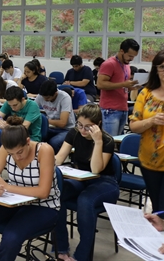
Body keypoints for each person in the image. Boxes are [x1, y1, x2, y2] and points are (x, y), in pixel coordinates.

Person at [0, 116, 60, 261]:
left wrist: (7, 187)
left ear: (28, 142)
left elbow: (43, 192)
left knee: (11, 236)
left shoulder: (44, 150)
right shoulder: (6, 149)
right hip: (14, 201)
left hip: (44, 206)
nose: (16, 157)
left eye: (19, 152)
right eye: (11, 154)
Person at [54, 104, 119, 261]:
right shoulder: (74, 133)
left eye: (88, 127)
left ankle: (82, 256)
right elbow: (59, 159)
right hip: (81, 178)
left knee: (85, 200)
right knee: (56, 193)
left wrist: (97, 142)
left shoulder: (107, 140)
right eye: (80, 125)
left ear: (98, 125)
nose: (83, 131)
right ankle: (61, 247)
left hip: (105, 182)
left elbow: (96, 169)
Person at [129, 49, 164, 215]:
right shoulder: (146, 93)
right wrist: (151, 121)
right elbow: (134, 126)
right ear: (156, 70)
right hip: (149, 160)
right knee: (157, 207)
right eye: (162, 67)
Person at [96, 38, 141, 136]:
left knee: (118, 140)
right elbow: (100, 84)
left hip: (123, 107)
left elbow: (121, 85)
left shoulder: (126, 65)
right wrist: (123, 84)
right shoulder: (109, 64)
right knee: (109, 141)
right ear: (121, 51)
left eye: (134, 56)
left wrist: (131, 87)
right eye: (129, 56)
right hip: (110, 109)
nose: (131, 59)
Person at [35, 80, 76, 153]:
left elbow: (63, 123)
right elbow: (32, 109)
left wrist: (45, 120)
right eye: (44, 97)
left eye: (47, 98)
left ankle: (55, 161)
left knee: (54, 143)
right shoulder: (41, 96)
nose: (45, 100)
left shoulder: (64, 98)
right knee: (36, 138)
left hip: (67, 129)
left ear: (55, 93)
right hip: (50, 127)